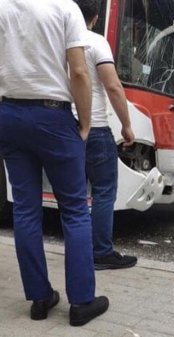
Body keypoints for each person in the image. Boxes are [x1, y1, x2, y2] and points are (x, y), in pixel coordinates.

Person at [0, 0, 109, 326]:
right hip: (52, 116)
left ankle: (39, 297)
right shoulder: (66, 8)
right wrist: (86, 124)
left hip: (9, 115)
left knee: (25, 209)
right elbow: (78, 71)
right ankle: (81, 303)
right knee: (75, 209)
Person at [74, 0, 138, 270]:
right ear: (96, 18)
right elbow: (112, 86)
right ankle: (101, 253)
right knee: (103, 192)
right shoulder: (95, 41)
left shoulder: (58, 43)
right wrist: (126, 125)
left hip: (65, 128)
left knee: (75, 194)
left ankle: (79, 252)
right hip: (97, 128)